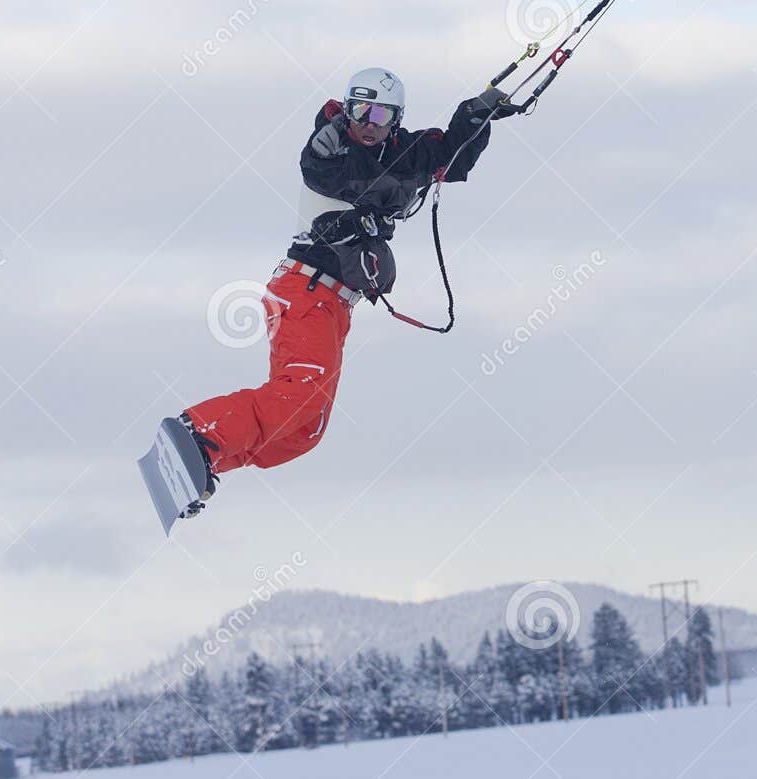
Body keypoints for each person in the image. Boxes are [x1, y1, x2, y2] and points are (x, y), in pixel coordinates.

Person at [155, 68, 502, 519]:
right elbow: (338, 176)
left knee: (306, 430)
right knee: (300, 394)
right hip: (305, 290)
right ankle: (198, 433)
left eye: (379, 113)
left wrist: (479, 114)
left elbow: (447, 154)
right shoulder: (331, 148)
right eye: (360, 109)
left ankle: (203, 464)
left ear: (395, 118)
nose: (367, 121)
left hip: (335, 303)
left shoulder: (401, 153)